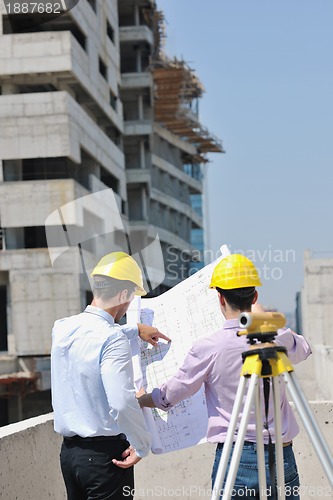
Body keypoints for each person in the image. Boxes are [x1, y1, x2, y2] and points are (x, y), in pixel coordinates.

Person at [138, 254, 311, 499]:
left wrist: (144, 399)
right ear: (255, 297)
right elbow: (304, 348)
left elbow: (173, 392)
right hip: (282, 456)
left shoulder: (209, 347)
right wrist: (263, 323)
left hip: (238, 458)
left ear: (220, 298)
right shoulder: (276, 337)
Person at [51, 251, 171, 500]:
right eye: (130, 299)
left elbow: (92, 337)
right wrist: (142, 445)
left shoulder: (61, 327)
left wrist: (134, 329)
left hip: (70, 456)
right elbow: (121, 401)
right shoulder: (112, 338)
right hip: (105, 460)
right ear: (124, 294)